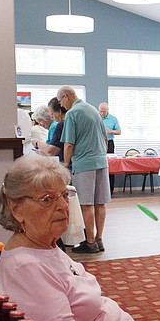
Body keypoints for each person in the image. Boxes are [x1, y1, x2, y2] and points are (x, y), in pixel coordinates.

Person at [0, 154, 146, 321]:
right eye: (47, 199)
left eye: (64, 195)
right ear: (17, 209)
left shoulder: (45, 246)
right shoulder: (26, 266)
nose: (63, 206)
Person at [58, 85, 110, 255]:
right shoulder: (94, 110)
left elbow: (68, 144)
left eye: (60, 101)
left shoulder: (73, 113)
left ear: (66, 97)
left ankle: (89, 242)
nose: (61, 105)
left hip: (84, 163)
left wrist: (66, 166)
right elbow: (105, 137)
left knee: (86, 203)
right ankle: (99, 239)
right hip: (101, 161)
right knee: (99, 202)